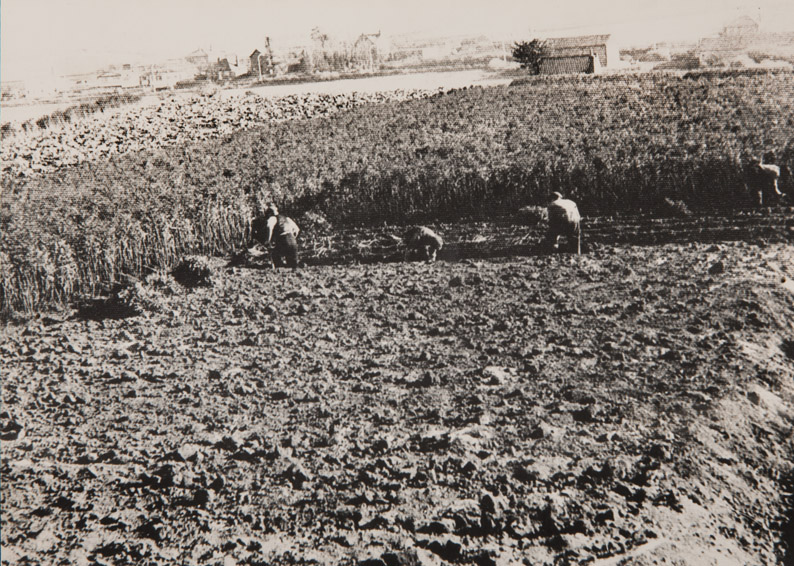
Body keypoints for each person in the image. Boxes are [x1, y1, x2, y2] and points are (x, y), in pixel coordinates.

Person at [250, 203, 300, 268]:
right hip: (293, 242)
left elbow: (269, 227)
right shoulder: (287, 218)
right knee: (293, 265)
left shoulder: (272, 218)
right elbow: (297, 229)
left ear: (269, 213)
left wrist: (268, 240)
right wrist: (293, 238)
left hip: (283, 240)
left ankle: (278, 268)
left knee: (275, 255)